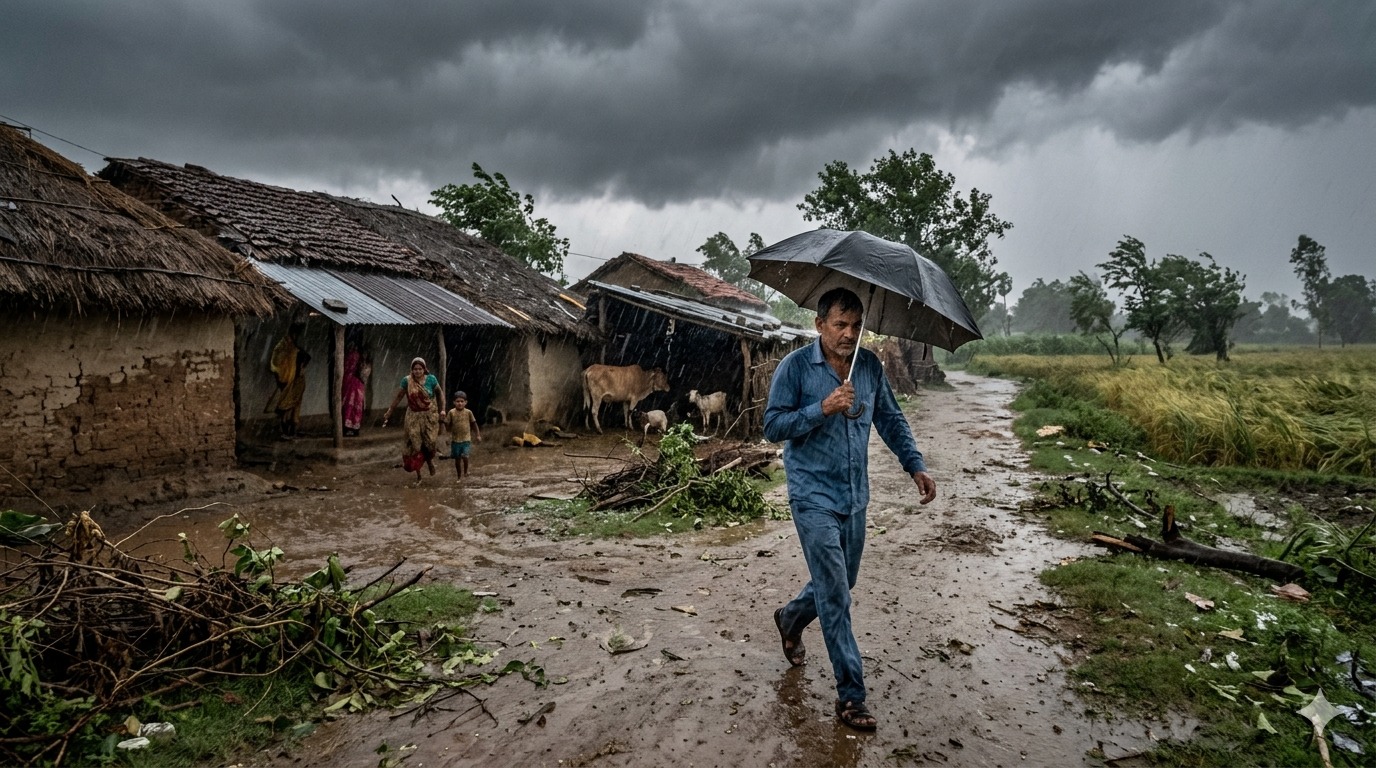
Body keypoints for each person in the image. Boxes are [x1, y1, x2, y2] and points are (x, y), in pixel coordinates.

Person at [764, 287, 937, 732]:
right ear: (819, 325)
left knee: (845, 580)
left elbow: (891, 419)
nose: (849, 334)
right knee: (837, 594)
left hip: (855, 496)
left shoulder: (870, 368)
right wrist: (821, 408)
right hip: (811, 496)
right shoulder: (796, 367)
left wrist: (914, 465)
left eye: (856, 326)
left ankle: (791, 616)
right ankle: (851, 695)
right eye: (840, 325)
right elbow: (772, 426)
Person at [382, 357, 444, 480]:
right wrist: (390, 411)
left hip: (429, 416)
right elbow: (399, 396)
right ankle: (419, 474)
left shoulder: (431, 379)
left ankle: (429, 461)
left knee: (430, 443)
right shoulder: (407, 381)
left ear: (424, 369)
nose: (417, 371)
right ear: (412, 370)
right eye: (415, 369)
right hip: (413, 417)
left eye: (420, 369)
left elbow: (440, 394)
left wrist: (442, 409)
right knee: (416, 446)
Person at [444, 391, 482, 480]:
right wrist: (444, 423)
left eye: (462, 401)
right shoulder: (451, 413)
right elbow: (447, 426)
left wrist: (478, 435)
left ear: (465, 402)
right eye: (458, 401)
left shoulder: (468, 412)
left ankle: (465, 471)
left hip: (466, 439)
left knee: (465, 456)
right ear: (454, 402)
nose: (460, 403)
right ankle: (459, 476)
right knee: (457, 459)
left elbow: (474, 424)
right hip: (455, 440)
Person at [275, 350, 309, 438]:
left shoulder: (298, 378)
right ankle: (286, 430)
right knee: (288, 408)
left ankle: (291, 431)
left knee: (293, 409)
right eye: (303, 366)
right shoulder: (292, 377)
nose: (304, 369)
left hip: (296, 397)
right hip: (292, 397)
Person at [342, 346, 370, 436]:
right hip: (354, 386)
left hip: (355, 385)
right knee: (352, 407)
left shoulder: (360, 362)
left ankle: (351, 428)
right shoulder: (357, 359)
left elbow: (364, 375)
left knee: (352, 407)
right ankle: (351, 428)